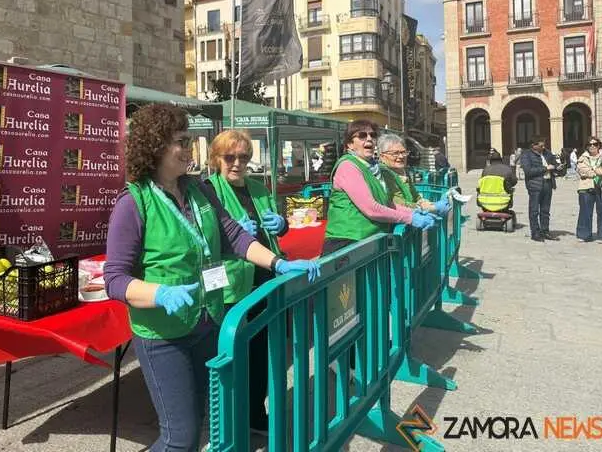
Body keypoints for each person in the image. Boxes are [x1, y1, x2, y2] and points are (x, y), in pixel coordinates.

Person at [103, 104, 319, 452]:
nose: (189, 148)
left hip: (207, 324)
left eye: (189, 140)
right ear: (156, 146)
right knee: (179, 440)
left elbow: (235, 237)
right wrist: (160, 294)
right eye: (181, 141)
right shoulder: (134, 202)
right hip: (163, 334)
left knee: (199, 425)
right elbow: (114, 278)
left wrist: (277, 264)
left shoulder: (197, 190)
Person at [200, 129, 286, 435]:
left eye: (244, 157)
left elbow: (276, 223)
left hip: (264, 280)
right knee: (231, 356)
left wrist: (282, 224)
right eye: (230, 157)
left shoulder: (258, 188)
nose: (238, 163)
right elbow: (200, 243)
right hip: (229, 286)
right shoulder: (207, 190)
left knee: (261, 351)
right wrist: (229, 236)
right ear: (216, 159)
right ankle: (226, 422)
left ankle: (254, 413)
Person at [323, 120, 437, 255]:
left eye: (372, 135)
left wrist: (413, 212)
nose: (369, 138)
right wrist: (410, 218)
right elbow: (371, 209)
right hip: (347, 242)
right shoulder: (348, 166)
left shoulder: (371, 168)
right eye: (362, 135)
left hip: (367, 241)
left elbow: (386, 204)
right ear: (349, 144)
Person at [377, 133, 451, 215]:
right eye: (395, 153)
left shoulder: (403, 170)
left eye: (403, 152)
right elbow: (396, 202)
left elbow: (415, 195)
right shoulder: (383, 173)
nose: (401, 156)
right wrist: (420, 207)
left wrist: (422, 201)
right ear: (382, 156)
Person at [519, 135, 559, 242]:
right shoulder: (526, 155)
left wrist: (557, 167)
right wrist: (545, 168)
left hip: (548, 183)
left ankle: (545, 231)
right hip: (535, 185)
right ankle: (535, 233)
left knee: (545, 210)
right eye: (541, 145)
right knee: (534, 210)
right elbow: (528, 171)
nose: (543, 147)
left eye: (544, 145)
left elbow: (554, 164)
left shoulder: (547, 153)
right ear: (534, 146)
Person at [575, 138, 602, 243]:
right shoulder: (583, 157)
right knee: (585, 211)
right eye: (589, 144)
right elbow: (582, 171)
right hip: (586, 187)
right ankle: (584, 235)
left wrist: (595, 171)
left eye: (595, 144)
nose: (592, 146)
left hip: (601, 187)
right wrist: (597, 171)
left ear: (599, 145)